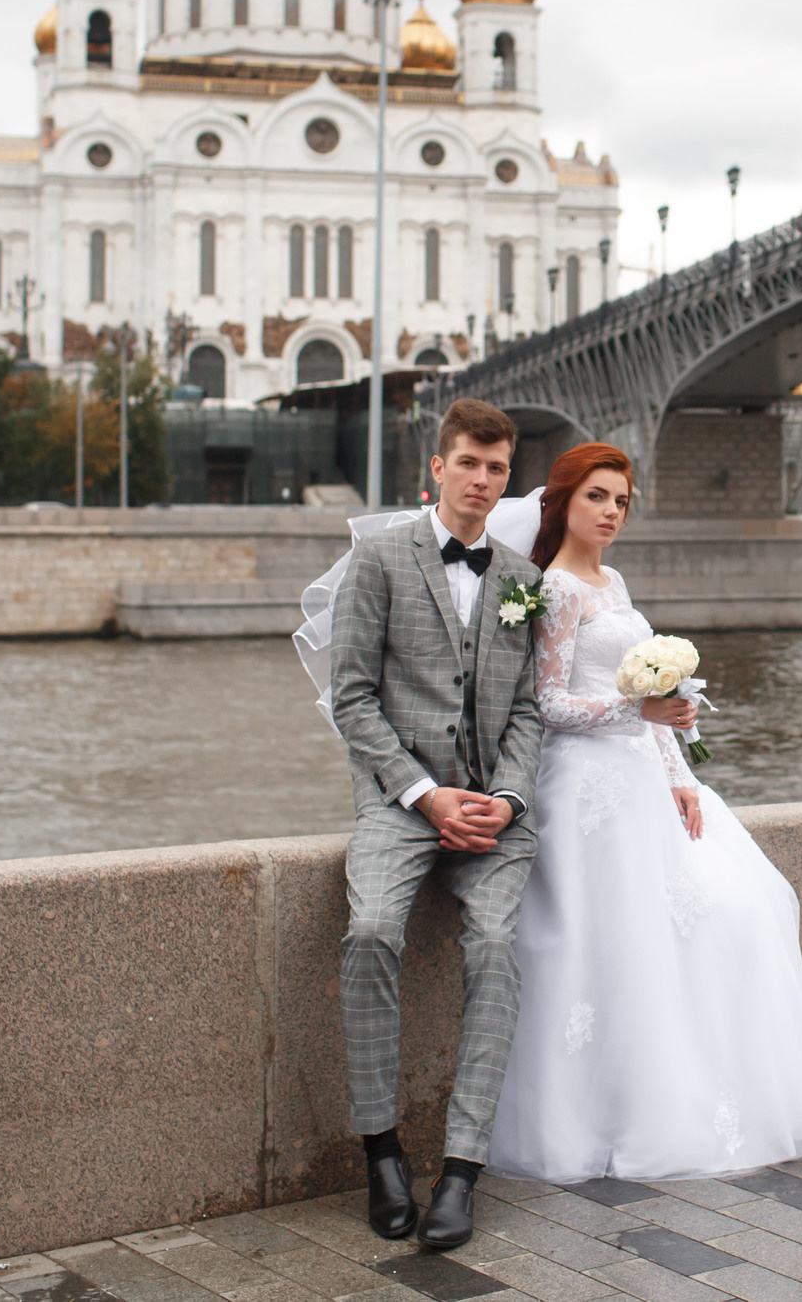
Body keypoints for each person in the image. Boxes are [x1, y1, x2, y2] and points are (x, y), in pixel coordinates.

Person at [489, 442, 802, 1183]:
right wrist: (634, 704)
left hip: (645, 774)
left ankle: (696, 1093)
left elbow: (654, 714)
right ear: (563, 502)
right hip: (587, 790)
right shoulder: (553, 590)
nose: (611, 512)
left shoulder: (614, 580)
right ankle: (616, 1113)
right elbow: (548, 704)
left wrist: (678, 769)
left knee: (738, 910)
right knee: (622, 947)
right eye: (598, 497)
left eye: (621, 501)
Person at [328, 398, 545, 1250]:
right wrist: (425, 794)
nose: (483, 481)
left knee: (496, 946)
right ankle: (381, 1149)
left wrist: (511, 798)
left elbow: (528, 709)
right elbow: (351, 697)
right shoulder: (379, 557)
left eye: (496, 468)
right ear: (438, 467)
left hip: (495, 809)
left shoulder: (523, 577)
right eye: (469, 464)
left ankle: (462, 1168)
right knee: (373, 928)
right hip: (401, 802)